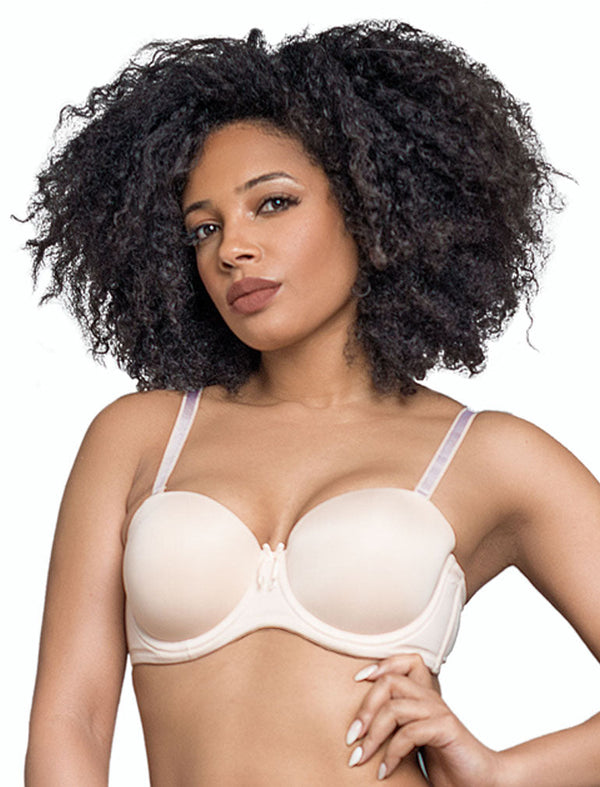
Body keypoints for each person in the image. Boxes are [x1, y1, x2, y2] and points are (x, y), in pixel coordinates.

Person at [24, 20, 600, 787]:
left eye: (273, 203)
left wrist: (504, 774)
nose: (231, 249)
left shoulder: (488, 454)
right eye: (204, 228)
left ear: (372, 204)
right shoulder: (139, 436)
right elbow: (73, 718)